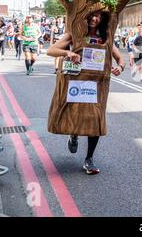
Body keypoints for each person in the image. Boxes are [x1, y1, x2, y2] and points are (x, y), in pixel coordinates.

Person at [47, 10, 125, 174]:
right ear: (84, 16)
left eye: (98, 16)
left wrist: (120, 67)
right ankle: (74, 134)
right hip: (76, 82)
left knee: (94, 118)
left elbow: (120, 58)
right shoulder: (73, 34)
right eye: (91, 15)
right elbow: (51, 50)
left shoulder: (105, 36)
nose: (94, 19)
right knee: (76, 114)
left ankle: (89, 159)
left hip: (96, 84)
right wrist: (68, 52)